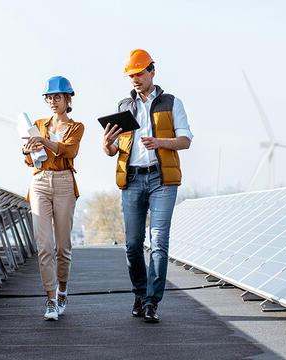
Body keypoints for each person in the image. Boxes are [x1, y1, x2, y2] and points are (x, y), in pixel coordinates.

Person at [102, 49, 193, 323]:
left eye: (139, 73)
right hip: (131, 179)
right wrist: (106, 144)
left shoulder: (171, 102)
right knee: (131, 245)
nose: (135, 79)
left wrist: (160, 142)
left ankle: (153, 301)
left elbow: (186, 140)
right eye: (131, 75)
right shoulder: (123, 106)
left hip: (162, 179)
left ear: (152, 71)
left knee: (158, 242)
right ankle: (140, 294)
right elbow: (114, 149)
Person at [22, 75, 84, 321]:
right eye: (49, 97)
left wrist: (43, 141)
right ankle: (50, 299)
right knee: (44, 246)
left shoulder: (76, 126)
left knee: (62, 247)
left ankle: (63, 290)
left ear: (67, 99)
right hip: (39, 182)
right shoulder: (38, 124)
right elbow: (29, 161)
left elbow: (69, 150)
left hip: (64, 183)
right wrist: (28, 151)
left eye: (57, 96)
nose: (52, 101)